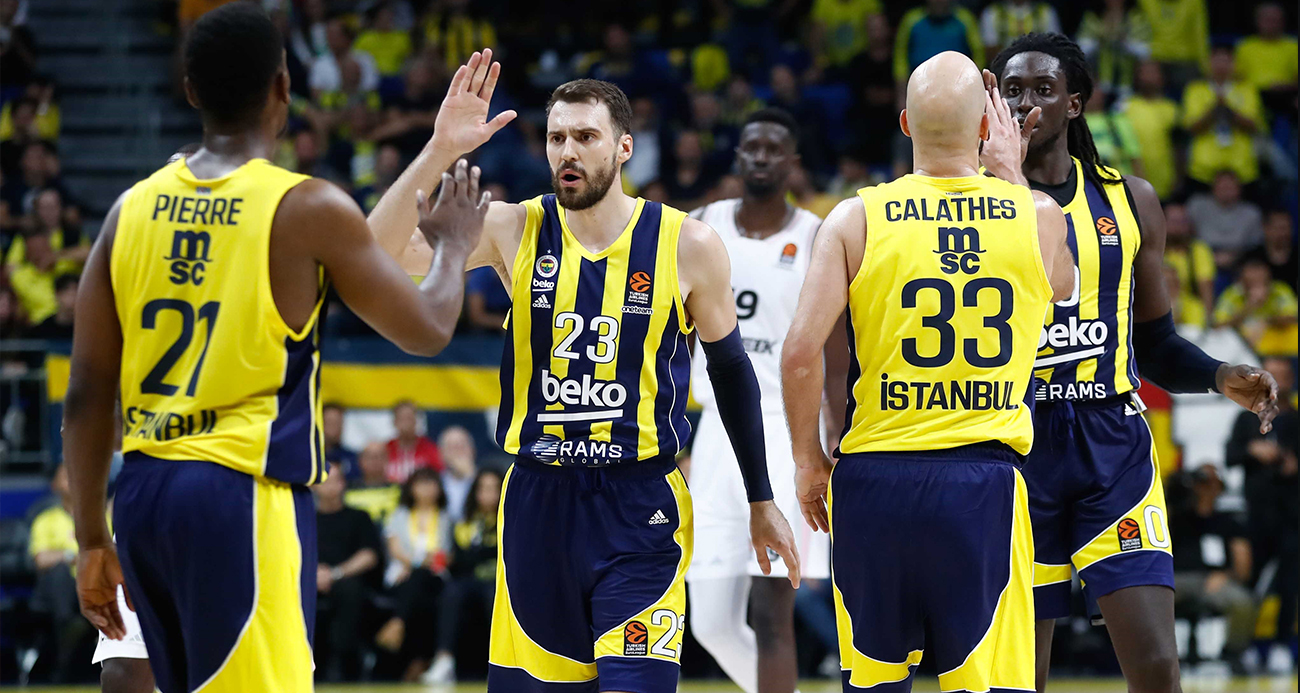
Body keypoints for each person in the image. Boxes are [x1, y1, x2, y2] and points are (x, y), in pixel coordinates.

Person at [61, 5, 507, 692]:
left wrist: (92, 537)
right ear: (283, 86)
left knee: (136, 678)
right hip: (238, 492)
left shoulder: (131, 210)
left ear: (189, 91)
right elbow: (426, 327)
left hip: (143, 492)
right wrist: (452, 247)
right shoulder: (303, 206)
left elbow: (87, 391)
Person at [383, 71, 800, 693]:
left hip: (640, 505)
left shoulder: (687, 243)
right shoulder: (512, 228)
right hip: (537, 502)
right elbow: (376, 250)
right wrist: (440, 148)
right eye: (557, 139)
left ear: (624, 146)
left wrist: (762, 500)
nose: (568, 152)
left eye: (585, 136)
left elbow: (732, 372)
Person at [989, 32, 1279, 693]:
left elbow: (1156, 343)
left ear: (1075, 104)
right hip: (1012, 448)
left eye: (1043, 89)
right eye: (1012, 91)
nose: (1027, 103)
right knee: (1018, 677)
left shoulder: (1130, 200)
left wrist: (1219, 375)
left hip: (1110, 444)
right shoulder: (972, 203)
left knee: (1155, 667)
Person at [782, 50, 1074, 693]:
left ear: (906, 124)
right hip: (982, 484)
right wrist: (1010, 172)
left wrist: (807, 462)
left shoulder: (855, 217)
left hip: (872, 482)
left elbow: (801, 353)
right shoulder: (1038, 216)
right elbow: (1063, 288)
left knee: (875, 679)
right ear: (986, 127)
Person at [685, 107, 832, 693]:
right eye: (753, 147)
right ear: (738, 156)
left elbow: (836, 347)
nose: (762, 157)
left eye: (775, 149)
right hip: (716, 433)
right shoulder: (703, 225)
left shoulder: (818, 235)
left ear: (793, 162)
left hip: (785, 429)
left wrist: (828, 440)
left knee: (773, 614)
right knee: (709, 623)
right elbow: (673, 336)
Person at [1169, 465, 1256, 668]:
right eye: (1200, 482)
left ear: (1219, 487)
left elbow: (1244, 567)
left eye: (1210, 482)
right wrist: (1177, 487)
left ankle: (1233, 653)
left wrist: (1226, 575)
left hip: (1215, 579)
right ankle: (1157, 655)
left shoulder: (1229, 522)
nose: (1205, 487)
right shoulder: (1176, 517)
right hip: (1176, 579)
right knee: (1149, 601)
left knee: (1243, 603)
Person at [426, 467, 504, 684]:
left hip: (498, 581)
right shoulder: (464, 524)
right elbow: (460, 561)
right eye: (483, 489)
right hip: (469, 581)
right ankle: (444, 659)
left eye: (493, 488)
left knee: (494, 595)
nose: (488, 494)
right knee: (451, 592)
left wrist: (479, 554)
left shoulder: (510, 519)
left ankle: (500, 662)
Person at [378, 467, 450, 680]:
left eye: (431, 483)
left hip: (435, 576)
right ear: (411, 488)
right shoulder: (399, 515)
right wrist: (418, 562)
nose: (426, 489)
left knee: (421, 578)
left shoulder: (446, 518)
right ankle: (420, 660)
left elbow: (446, 554)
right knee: (421, 594)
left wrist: (420, 564)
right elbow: (394, 549)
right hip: (402, 574)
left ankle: (397, 623)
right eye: (421, 483)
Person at [314, 462, 383, 683]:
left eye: (336, 480)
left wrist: (335, 573)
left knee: (350, 590)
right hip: (310, 580)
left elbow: (369, 555)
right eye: (325, 480)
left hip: (346, 579)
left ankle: (340, 660)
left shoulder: (359, 517)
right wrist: (312, 574)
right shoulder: (304, 518)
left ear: (344, 484)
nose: (331, 486)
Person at [29, 463, 91, 683]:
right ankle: (68, 626)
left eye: (77, 474)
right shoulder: (45, 519)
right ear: (55, 485)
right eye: (66, 476)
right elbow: (40, 559)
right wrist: (70, 556)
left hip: (91, 583)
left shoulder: (98, 518)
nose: (72, 480)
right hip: (58, 590)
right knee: (60, 573)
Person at [1182, 47, 1266, 191]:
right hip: (1203, 169)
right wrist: (1215, 108)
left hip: (1241, 167)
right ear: (1208, 63)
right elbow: (1192, 128)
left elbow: (1253, 126)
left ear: (1234, 64)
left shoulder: (1247, 89)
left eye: (1226, 61)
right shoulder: (1195, 90)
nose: (1221, 66)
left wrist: (1228, 109)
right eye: (1217, 61)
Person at [1213, 255, 1298, 356]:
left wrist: (1267, 321)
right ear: (1242, 281)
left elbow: (1292, 317)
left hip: (1277, 341)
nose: (1257, 287)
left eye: (1262, 282)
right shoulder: (1232, 295)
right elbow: (1219, 326)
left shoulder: (1279, 290)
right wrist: (1249, 307)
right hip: (1243, 346)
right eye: (1251, 283)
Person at [1123, 60, 1180, 200]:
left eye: (1153, 72)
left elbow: (1179, 147)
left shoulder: (1172, 108)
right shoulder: (1125, 107)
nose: (1149, 77)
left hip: (1165, 180)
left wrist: (1179, 177)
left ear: (1162, 77)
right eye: (1144, 72)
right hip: (1129, 181)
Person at [1077, 0, 1151, 101]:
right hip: (1100, 83)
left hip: (1128, 85)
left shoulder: (1136, 17)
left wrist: (1124, 43)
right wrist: (1100, 39)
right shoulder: (1093, 17)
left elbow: (1146, 52)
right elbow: (1081, 50)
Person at [1233, 2, 1298, 118]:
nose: (1271, 24)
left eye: (1275, 20)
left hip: (1286, 95)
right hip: (1252, 94)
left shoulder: (1293, 46)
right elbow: (1236, 77)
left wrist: (1287, 86)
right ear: (1257, 21)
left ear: (1283, 22)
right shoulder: (1245, 46)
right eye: (1267, 20)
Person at [1161, 202, 1216, 328]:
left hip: (1190, 308)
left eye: (1183, 222)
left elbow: (1205, 287)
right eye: (1174, 222)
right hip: (1156, 307)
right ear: (1162, 222)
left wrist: (1209, 320)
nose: (1179, 227)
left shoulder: (1199, 250)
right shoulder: (1152, 250)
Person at [980, 0, 1060, 60]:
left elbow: (1054, 46)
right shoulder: (993, 12)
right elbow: (991, 50)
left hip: (1040, 65)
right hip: (1005, 66)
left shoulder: (1045, 11)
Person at [345, 440, 402, 524]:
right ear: (360, 460)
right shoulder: (346, 490)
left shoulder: (399, 490)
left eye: (379, 456)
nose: (374, 460)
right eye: (370, 456)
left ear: (387, 459)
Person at [386, 399, 442, 481]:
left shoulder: (430, 449)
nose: (406, 423)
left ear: (416, 420)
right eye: (401, 419)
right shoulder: (386, 450)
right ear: (394, 422)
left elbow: (438, 476)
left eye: (409, 418)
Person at [437, 425, 478, 520]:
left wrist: (471, 476)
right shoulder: (436, 482)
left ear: (473, 450)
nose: (458, 452)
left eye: (462, 446)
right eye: (452, 448)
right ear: (441, 453)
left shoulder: (488, 479)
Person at [27, 273, 77, 340]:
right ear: (57, 294)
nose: (73, 299)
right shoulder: (41, 330)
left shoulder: (85, 329)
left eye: (76, 294)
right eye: (70, 294)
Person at [322, 402, 359, 479]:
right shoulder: (311, 457)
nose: (335, 428)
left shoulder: (351, 458)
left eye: (339, 423)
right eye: (330, 423)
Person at [1261, 209, 1296, 288]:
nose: (1284, 233)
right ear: (1266, 229)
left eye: (1287, 227)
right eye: (1279, 228)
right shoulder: (1253, 258)